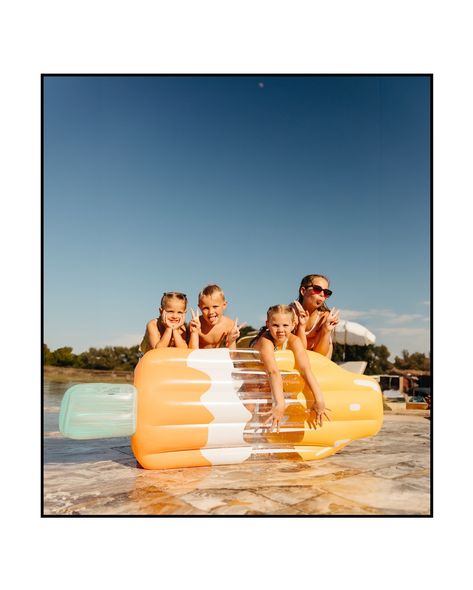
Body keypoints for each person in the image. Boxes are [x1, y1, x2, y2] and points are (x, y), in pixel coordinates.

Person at [252, 304, 329, 432]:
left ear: (293, 325)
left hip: (269, 377)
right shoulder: (265, 341)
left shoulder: (294, 340)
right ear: (268, 324)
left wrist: (319, 399)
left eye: (285, 325)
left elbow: (305, 369)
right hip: (254, 374)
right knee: (253, 405)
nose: (280, 330)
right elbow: (273, 371)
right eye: (275, 325)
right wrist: (280, 403)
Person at [292, 274, 340, 358]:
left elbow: (321, 355)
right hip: (293, 354)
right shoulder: (290, 314)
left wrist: (326, 330)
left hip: (315, 357)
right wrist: (301, 326)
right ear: (303, 291)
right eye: (317, 289)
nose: (322, 294)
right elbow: (298, 350)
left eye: (326, 292)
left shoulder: (324, 317)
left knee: (329, 343)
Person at [188, 284, 245, 349]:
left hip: (217, 358)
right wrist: (194, 333)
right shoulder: (196, 324)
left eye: (215, 306)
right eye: (206, 308)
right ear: (200, 307)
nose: (211, 312)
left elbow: (232, 355)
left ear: (224, 305)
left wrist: (231, 341)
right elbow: (191, 352)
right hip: (200, 357)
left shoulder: (229, 324)